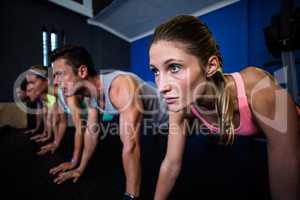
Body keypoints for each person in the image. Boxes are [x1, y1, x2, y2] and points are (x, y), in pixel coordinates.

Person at [148, 15, 300, 200]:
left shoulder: (258, 89)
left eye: (174, 67)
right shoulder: (180, 104)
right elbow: (171, 164)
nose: (161, 86)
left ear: (211, 66)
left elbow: (286, 176)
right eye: (155, 71)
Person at [50, 44, 168, 199]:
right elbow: (91, 135)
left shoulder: (120, 87)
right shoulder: (90, 96)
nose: (56, 82)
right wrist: (78, 166)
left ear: (82, 71)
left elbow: (131, 146)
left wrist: (130, 196)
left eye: (60, 74)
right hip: (154, 123)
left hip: (173, 113)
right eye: (55, 76)